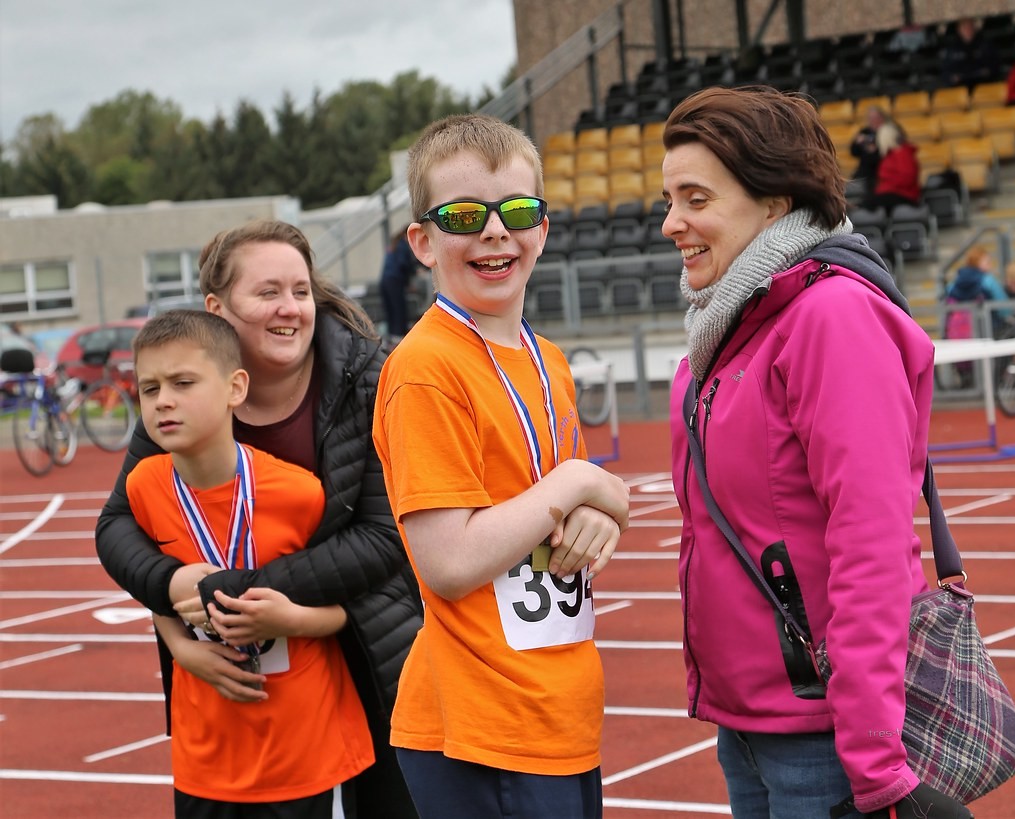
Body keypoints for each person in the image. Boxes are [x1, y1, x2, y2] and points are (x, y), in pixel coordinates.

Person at [660, 86, 972, 818]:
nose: (672, 222)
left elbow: (872, 543)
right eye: (668, 198)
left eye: (696, 197)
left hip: (827, 738)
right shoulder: (729, 321)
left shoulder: (829, 316)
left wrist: (875, 759)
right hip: (749, 723)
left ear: (775, 202)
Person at [94, 219, 422, 819]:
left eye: (300, 291)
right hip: (235, 667)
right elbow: (121, 522)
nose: (291, 309)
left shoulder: (373, 380)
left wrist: (241, 593)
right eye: (267, 292)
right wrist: (172, 595)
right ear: (218, 308)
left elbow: (384, 536)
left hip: (368, 646)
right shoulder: (181, 398)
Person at [372, 113, 631, 819]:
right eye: (464, 214)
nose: (494, 231)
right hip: (480, 723)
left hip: (559, 708)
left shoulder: (547, 360)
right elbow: (450, 561)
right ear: (422, 241)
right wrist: (580, 484)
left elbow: (593, 508)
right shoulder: (425, 367)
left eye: (516, 210)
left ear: (542, 229)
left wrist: (598, 508)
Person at [128, 309, 374, 816]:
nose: (164, 401)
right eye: (149, 389)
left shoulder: (301, 493)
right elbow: (154, 585)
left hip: (308, 750)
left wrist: (290, 619)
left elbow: (356, 607)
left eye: (183, 382)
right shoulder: (143, 486)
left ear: (235, 387)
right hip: (206, 757)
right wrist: (180, 647)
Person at [861, 121, 921, 213]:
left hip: (904, 195)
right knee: (867, 201)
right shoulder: (890, 155)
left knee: (868, 203)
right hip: (892, 193)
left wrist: (887, 186)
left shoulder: (902, 154)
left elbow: (907, 178)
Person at [378, 230, 424, 346]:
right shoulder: (403, 245)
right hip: (395, 281)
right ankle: (398, 337)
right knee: (398, 309)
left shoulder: (393, 246)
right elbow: (403, 263)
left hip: (385, 280)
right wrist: (414, 271)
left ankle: (392, 336)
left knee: (390, 310)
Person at [941, 17, 999, 91]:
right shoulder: (952, 49)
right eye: (965, 27)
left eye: (970, 27)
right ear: (959, 30)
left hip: (983, 86)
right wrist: (952, 78)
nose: (968, 30)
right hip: (959, 88)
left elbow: (994, 66)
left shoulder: (984, 45)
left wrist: (988, 72)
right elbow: (945, 73)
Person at [849, 106, 889, 194]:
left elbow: (886, 153)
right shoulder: (864, 131)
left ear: (881, 118)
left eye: (875, 118)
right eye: (870, 118)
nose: (872, 121)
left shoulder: (887, 132)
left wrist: (874, 150)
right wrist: (857, 143)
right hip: (864, 171)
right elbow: (853, 152)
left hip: (880, 170)